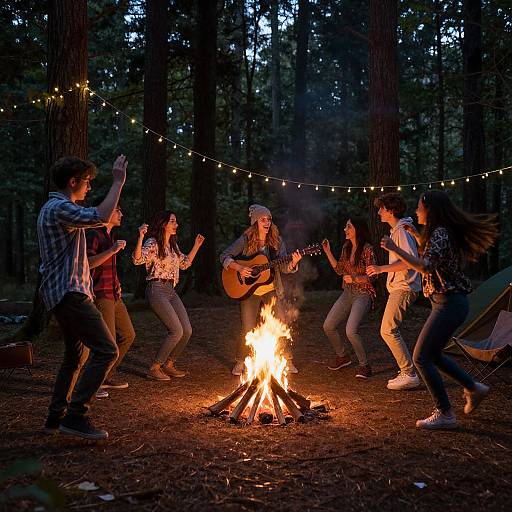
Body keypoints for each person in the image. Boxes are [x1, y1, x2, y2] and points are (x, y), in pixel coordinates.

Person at [380, 190, 498, 430]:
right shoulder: (438, 234)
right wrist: (417, 236)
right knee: (432, 355)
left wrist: (395, 247)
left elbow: (425, 266)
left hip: (450, 302)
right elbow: (433, 256)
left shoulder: (441, 233)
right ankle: (474, 388)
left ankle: (445, 412)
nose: (416, 211)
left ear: (430, 209)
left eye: (420, 207)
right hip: (446, 302)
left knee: (421, 357)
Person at [39, 155, 128, 440]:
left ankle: (56, 417)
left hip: (65, 292)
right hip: (69, 293)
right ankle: (76, 415)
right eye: (87, 182)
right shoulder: (58, 208)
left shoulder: (57, 208)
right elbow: (100, 217)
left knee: (74, 356)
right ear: (73, 181)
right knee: (107, 350)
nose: (89, 187)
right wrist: (118, 182)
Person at [220, 204, 302, 376]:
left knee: (281, 322)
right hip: (249, 291)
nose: (267, 222)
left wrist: (293, 262)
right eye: (263, 219)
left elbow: (285, 267)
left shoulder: (277, 241)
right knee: (248, 328)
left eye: (269, 219)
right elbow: (224, 256)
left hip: (271, 289)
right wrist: (240, 268)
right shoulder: (245, 240)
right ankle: (241, 361)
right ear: (255, 222)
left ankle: (287, 360)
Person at [133, 210, 204, 381]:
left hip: (171, 291)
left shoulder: (172, 245)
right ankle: (155, 367)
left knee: (187, 330)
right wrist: (140, 237)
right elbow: (137, 260)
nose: (176, 225)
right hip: (156, 289)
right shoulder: (152, 243)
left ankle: (169, 364)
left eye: (176, 222)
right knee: (176, 330)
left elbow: (185, 264)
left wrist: (196, 246)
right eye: (172, 221)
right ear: (164, 224)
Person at [366, 193, 421, 390]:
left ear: (390, 210)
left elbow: (408, 261)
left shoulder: (401, 231)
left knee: (387, 329)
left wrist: (380, 269)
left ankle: (409, 373)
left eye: (381, 208)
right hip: (400, 286)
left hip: (405, 286)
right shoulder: (398, 230)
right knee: (388, 329)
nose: (379, 212)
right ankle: (406, 371)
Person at [86, 205, 136, 391]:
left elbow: (109, 268)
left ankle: (104, 376)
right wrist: (112, 251)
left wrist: (117, 284)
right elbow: (89, 263)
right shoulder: (93, 234)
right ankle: (92, 383)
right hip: (100, 294)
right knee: (107, 342)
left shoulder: (110, 236)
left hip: (114, 294)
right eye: (117, 210)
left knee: (128, 335)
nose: (121, 214)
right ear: (106, 212)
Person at [322, 217, 377, 379]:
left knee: (350, 331)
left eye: (348, 226)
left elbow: (373, 276)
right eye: (345, 226)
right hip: (347, 293)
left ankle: (364, 365)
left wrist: (354, 279)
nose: (345, 229)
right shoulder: (347, 247)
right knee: (328, 326)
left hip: (363, 294)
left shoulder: (368, 249)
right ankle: (343, 356)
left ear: (357, 230)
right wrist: (327, 251)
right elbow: (339, 270)